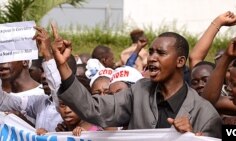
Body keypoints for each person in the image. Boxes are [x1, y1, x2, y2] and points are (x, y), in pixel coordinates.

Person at [51, 26, 221, 138]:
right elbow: (94, 109)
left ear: (180, 61)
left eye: (160, 53)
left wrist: (189, 138)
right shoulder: (137, 92)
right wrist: (62, 66)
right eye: (151, 52)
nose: (151, 58)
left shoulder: (205, 114)